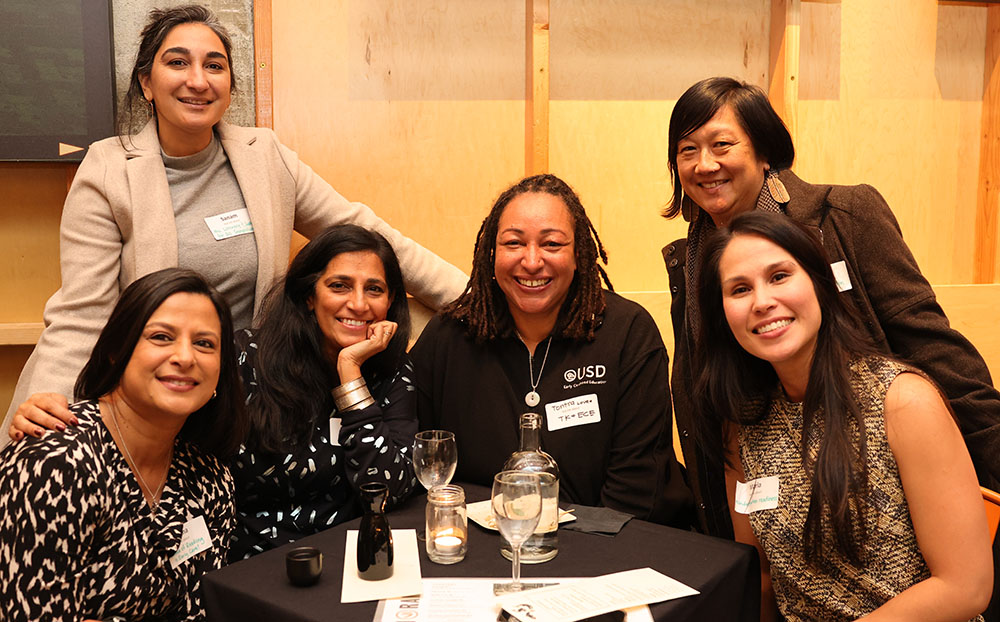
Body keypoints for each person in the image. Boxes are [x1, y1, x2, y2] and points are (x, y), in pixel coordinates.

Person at [3, 4, 466, 445]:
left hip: (257, 394)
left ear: (229, 83)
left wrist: (478, 300)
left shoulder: (263, 156)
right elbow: (83, 313)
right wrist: (45, 401)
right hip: (163, 387)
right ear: (146, 82)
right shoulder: (108, 170)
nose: (197, 81)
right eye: (178, 62)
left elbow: (367, 233)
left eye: (215, 65)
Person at [662, 76, 1000, 540]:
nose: (705, 164)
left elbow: (936, 352)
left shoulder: (842, 215)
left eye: (722, 144)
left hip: (873, 492)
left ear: (764, 151)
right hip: (763, 502)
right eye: (687, 150)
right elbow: (705, 398)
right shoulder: (692, 260)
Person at [695, 211, 991, 622]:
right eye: (740, 289)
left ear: (820, 283)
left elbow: (966, 588)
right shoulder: (743, 422)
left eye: (779, 276)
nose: (762, 302)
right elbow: (763, 574)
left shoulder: (902, 401)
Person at [411, 174, 692, 526]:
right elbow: (418, 457)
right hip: (478, 550)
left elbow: (635, 490)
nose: (531, 261)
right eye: (514, 243)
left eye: (552, 244)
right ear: (491, 253)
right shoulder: (449, 336)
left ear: (579, 255)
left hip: (606, 552)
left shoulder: (628, 333)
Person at [0, 268, 247, 622]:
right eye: (161, 337)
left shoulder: (209, 479)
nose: (185, 357)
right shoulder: (57, 463)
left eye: (205, 343)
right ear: (117, 350)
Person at [229, 225, 417, 559]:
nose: (358, 304)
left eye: (374, 289)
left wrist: (350, 374)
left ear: (390, 302)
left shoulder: (393, 371)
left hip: (348, 560)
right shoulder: (246, 357)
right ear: (309, 296)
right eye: (339, 286)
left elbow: (388, 490)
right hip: (252, 564)